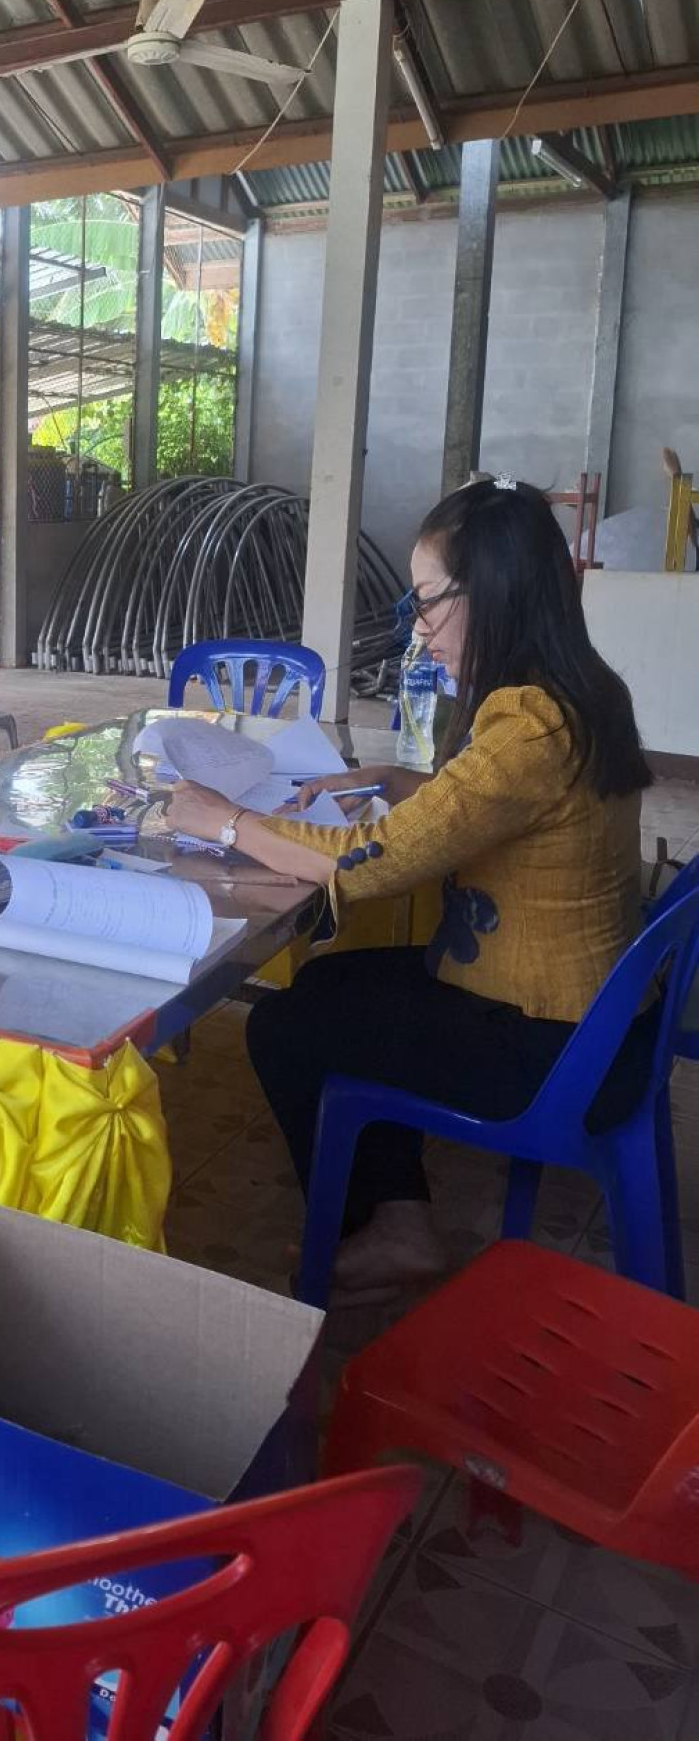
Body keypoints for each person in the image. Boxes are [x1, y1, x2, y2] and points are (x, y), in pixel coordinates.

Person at [165, 478, 653, 1301]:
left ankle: (395, 1232)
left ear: (494, 593)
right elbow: (499, 806)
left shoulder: (528, 724)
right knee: (330, 987)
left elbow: (368, 863)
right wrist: (400, 780)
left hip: (555, 1048)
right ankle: (398, 1215)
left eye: (427, 602)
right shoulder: (581, 691)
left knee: (287, 1027)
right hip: (597, 1021)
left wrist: (226, 822)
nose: (419, 629)